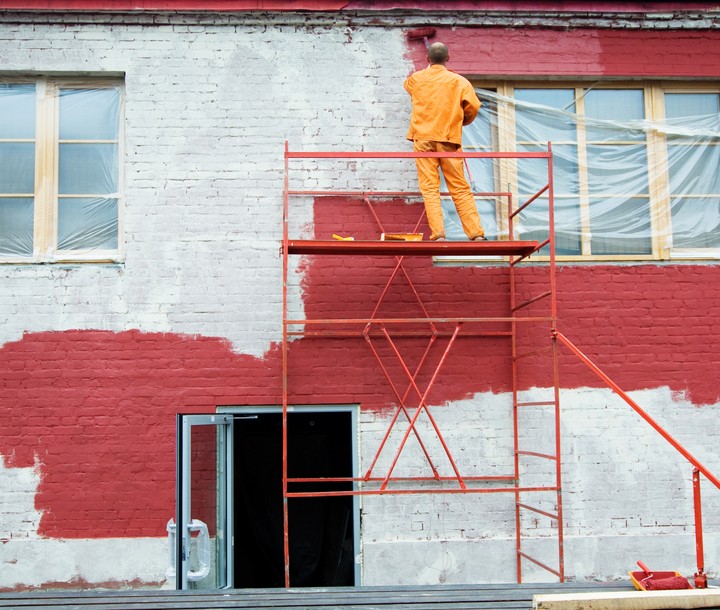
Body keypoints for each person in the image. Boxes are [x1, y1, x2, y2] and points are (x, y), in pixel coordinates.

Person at [404, 42, 486, 241]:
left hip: (423, 139)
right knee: (459, 186)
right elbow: (473, 107)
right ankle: (475, 233)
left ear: (427, 59)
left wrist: (428, 70)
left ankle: (439, 233)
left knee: (430, 187)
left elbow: (408, 86)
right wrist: (461, 121)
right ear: (448, 58)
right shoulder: (459, 82)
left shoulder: (417, 79)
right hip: (448, 138)